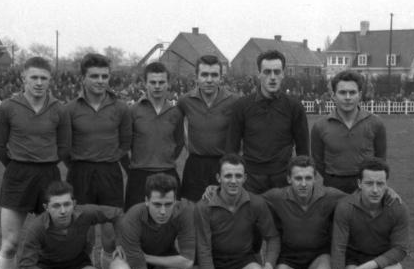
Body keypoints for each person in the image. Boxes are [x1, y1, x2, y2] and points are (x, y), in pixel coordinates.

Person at [0, 56, 70, 269]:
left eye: (43, 78)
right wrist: (18, 167)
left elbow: (64, 147)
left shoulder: (59, 109)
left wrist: (44, 164)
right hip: (17, 175)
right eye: (33, 77)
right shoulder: (8, 107)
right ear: (23, 78)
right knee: (10, 243)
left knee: (54, 241)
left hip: (48, 175)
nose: (38, 82)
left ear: (50, 80)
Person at [17, 181, 131, 269]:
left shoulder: (85, 213)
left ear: (74, 203)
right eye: (56, 206)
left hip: (77, 265)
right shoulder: (37, 228)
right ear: (46, 208)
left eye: (67, 204)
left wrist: (120, 242)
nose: (63, 211)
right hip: (47, 267)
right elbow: (25, 266)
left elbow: (117, 214)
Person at [261, 156, 348, 269]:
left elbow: (357, 199)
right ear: (289, 179)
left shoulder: (329, 195)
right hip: (288, 257)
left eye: (308, 178)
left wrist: (387, 191)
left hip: (318, 256)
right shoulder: (276, 197)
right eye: (298, 178)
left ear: (315, 178)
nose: (303, 183)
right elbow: (249, 199)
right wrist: (218, 189)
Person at [194, 154, 279, 269]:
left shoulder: (256, 203)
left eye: (238, 176)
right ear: (218, 178)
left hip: (241, 262)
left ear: (245, 178)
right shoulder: (203, 206)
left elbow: (273, 237)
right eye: (228, 176)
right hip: (212, 261)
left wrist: (269, 263)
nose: (233, 181)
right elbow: (203, 251)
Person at [332, 158, 408, 269]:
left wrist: (370, 266)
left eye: (380, 183)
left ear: (387, 184)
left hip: (383, 260)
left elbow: (400, 249)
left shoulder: (398, 208)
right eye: (369, 183)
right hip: (355, 259)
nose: (375, 189)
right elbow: (338, 249)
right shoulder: (345, 207)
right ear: (359, 183)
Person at [65, 53, 131, 250]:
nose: (100, 81)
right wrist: (82, 163)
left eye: (104, 76)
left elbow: (125, 143)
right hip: (79, 174)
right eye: (94, 76)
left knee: (110, 237)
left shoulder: (121, 108)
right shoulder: (69, 109)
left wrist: (106, 158)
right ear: (83, 78)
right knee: (83, 236)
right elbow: (64, 147)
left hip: (110, 173)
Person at [225, 49, 309, 194]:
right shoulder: (242, 106)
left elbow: (303, 151)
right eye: (267, 72)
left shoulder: (294, 107)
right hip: (251, 181)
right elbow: (231, 148)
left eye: (277, 72)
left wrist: (303, 179)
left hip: (283, 181)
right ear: (259, 75)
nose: (272, 77)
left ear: (283, 74)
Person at [310, 70, 386, 194]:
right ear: (333, 96)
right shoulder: (320, 126)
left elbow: (381, 159)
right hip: (333, 187)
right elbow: (318, 161)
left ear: (360, 95)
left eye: (352, 92)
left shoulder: (376, 123)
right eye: (342, 92)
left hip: (365, 186)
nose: (347, 97)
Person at [177, 55, 237, 202]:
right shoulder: (185, 101)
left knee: (222, 212)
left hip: (223, 164)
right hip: (195, 165)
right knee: (193, 211)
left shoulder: (234, 101)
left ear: (221, 77)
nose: (209, 80)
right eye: (204, 75)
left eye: (214, 75)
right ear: (196, 77)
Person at [125, 62, 184, 210]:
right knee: (137, 222)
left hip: (168, 173)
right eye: (153, 82)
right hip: (139, 175)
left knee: (169, 222)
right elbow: (125, 144)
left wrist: (165, 159)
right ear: (145, 83)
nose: (157, 86)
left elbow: (179, 142)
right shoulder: (133, 111)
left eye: (161, 82)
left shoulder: (176, 112)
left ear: (168, 84)